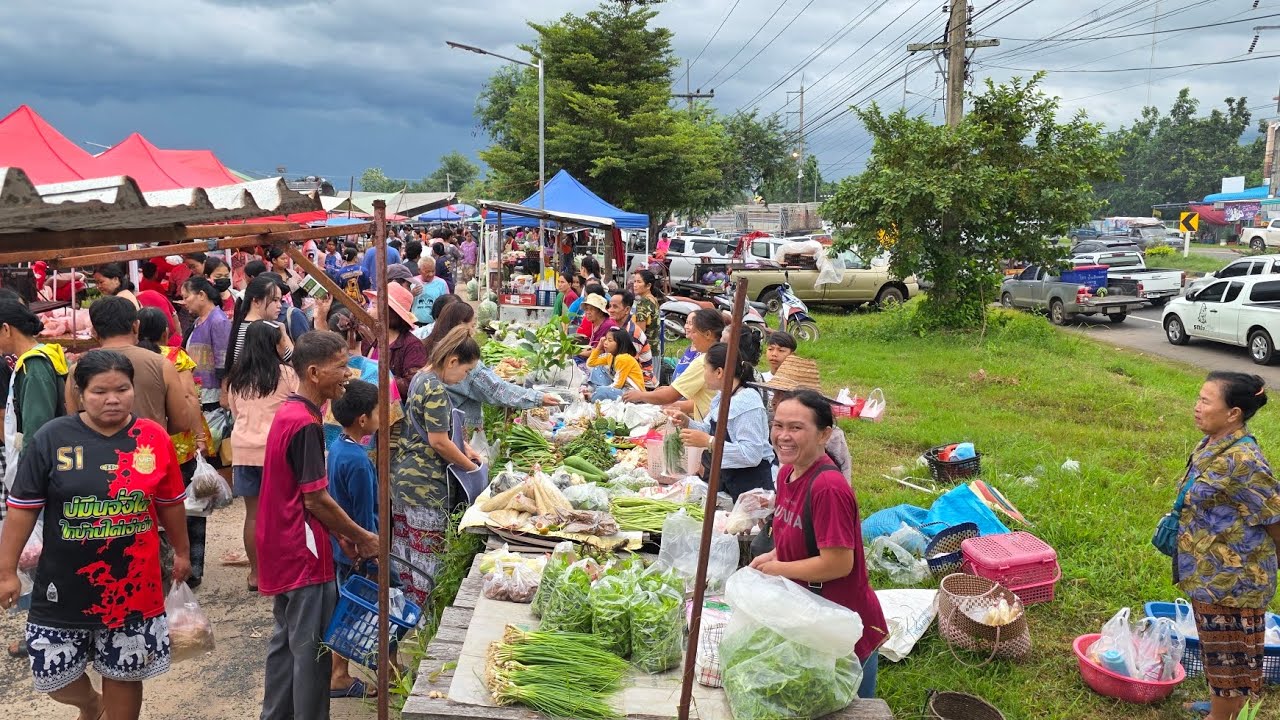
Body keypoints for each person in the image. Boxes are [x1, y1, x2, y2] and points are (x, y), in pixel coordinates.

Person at [0, 349, 190, 720]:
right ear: (80, 392)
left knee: (124, 673)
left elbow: (171, 503)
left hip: (133, 584)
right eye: (100, 391)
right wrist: (6, 570)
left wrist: (182, 552)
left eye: (122, 389)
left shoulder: (151, 438)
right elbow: (23, 509)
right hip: (63, 584)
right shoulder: (52, 438)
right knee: (53, 677)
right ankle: (90, 703)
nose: (113, 399)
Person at [257, 331, 380, 720]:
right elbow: (315, 498)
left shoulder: (291, 412)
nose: (349, 372)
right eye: (341, 365)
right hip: (301, 549)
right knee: (313, 653)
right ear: (314, 372)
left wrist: (341, 534)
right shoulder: (307, 423)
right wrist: (363, 536)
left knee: (285, 644)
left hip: (281, 542)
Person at [750, 389, 887, 699]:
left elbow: (839, 563)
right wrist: (773, 554)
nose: (783, 436)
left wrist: (778, 569)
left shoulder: (828, 487)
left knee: (851, 705)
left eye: (796, 428)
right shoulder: (787, 474)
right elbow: (795, 534)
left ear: (825, 434)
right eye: (778, 425)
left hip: (844, 623)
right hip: (813, 615)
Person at [1174, 372, 1280, 719]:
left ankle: (1222, 716)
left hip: (1234, 581)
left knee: (1229, 656)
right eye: (1198, 399)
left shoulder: (1244, 461)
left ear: (1233, 412)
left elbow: (1275, 517)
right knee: (1216, 646)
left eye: (1205, 401)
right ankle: (1223, 706)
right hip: (1210, 570)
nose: (1197, 407)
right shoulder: (1214, 443)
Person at [392, 326, 484, 606]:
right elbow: (439, 442)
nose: (464, 378)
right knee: (426, 561)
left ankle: (407, 614)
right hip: (425, 486)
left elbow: (436, 429)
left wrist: (465, 448)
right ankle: (423, 619)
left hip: (405, 481)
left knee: (406, 556)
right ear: (453, 361)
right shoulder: (435, 388)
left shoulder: (422, 376)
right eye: (466, 371)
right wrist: (471, 468)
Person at [225, 321, 299, 593]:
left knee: (253, 515)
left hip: (244, 450)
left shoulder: (237, 377)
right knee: (281, 513)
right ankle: (280, 572)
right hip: (277, 451)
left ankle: (256, 574)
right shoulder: (285, 374)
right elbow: (298, 405)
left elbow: (234, 413)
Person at [137, 307, 208, 587]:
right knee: (189, 507)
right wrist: (200, 436)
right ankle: (190, 568)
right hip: (177, 445)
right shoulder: (174, 357)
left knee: (150, 507)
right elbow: (190, 398)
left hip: (141, 448)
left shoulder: (129, 358)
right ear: (166, 332)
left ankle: (158, 565)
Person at [70, 297, 198, 440]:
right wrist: (157, 433)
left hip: (96, 455)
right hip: (148, 453)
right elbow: (182, 421)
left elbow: (74, 422)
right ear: (136, 326)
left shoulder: (76, 370)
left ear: (94, 331)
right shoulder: (162, 364)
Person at [326, 379, 380, 699]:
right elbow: (363, 515)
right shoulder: (358, 461)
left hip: (343, 548)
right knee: (359, 611)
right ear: (363, 419)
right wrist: (370, 552)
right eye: (377, 412)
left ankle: (340, 673)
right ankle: (344, 674)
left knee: (348, 609)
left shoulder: (339, 447)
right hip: (357, 551)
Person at [669, 338, 774, 501]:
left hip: (750, 488)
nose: (703, 375)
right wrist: (687, 422)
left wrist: (710, 442)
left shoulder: (747, 404)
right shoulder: (722, 397)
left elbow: (752, 454)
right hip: (728, 483)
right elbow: (708, 429)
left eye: (705, 369)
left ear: (719, 372)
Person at [437, 303, 559, 428]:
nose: (473, 332)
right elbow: (497, 390)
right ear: (460, 326)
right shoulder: (461, 357)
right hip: (458, 429)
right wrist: (538, 398)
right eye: (472, 326)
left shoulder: (438, 350)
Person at [758, 356, 852, 481]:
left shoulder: (833, 437)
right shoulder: (785, 471)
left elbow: (844, 477)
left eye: (782, 395)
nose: (774, 401)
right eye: (774, 394)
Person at [624, 308, 725, 420]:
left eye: (694, 332)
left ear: (708, 334)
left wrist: (640, 396)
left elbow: (670, 395)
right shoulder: (723, 354)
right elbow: (706, 398)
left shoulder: (704, 361)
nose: (691, 336)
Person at [361, 283, 428, 400]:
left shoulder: (412, 346)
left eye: (374, 305)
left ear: (388, 312)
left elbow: (413, 386)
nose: (368, 309)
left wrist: (378, 376)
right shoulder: (371, 339)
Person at [181, 276, 233, 418]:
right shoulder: (199, 321)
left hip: (213, 394)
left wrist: (224, 392)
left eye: (186, 297)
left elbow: (224, 360)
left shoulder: (218, 321)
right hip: (199, 391)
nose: (184, 302)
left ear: (202, 295)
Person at [223, 274, 294, 378]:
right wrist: (283, 334)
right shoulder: (267, 329)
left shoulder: (241, 326)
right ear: (256, 301)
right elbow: (294, 361)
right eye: (274, 300)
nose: (279, 305)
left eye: (280, 300)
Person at [608, 290, 655, 389]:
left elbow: (627, 365)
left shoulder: (632, 334)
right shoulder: (617, 329)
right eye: (610, 306)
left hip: (641, 383)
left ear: (627, 310)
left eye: (615, 306)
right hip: (624, 376)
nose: (610, 310)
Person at [584, 328, 643, 401]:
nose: (605, 343)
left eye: (610, 340)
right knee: (598, 368)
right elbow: (591, 364)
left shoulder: (623, 358)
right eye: (605, 339)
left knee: (602, 391)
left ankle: (595, 395)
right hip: (620, 390)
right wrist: (599, 347)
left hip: (631, 394)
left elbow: (618, 384)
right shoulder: (610, 356)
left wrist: (602, 390)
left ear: (620, 343)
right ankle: (597, 394)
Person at [413, 256, 450, 325]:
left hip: (434, 324)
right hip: (415, 324)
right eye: (427, 271)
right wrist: (411, 294)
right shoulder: (413, 282)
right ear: (419, 270)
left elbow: (447, 303)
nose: (431, 274)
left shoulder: (441, 283)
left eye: (433, 271)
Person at [631, 269, 662, 339]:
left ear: (648, 285)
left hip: (646, 346)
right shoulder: (653, 299)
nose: (635, 285)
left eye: (639, 282)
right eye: (634, 281)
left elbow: (640, 331)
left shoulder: (644, 302)